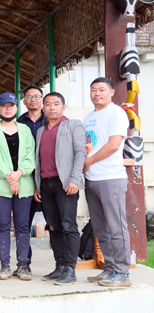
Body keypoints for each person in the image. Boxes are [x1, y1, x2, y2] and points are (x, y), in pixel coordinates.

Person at [33, 92, 86, 286]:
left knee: (68, 225)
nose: (52, 107)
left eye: (56, 104)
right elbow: (38, 160)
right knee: (53, 227)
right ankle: (60, 266)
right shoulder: (40, 130)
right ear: (43, 109)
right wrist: (37, 186)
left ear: (63, 107)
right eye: (48, 104)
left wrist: (74, 179)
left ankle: (71, 269)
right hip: (46, 185)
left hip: (65, 183)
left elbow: (80, 153)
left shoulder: (73, 125)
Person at [83, 77, 131, 287]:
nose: (97, 93)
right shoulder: (88, 117)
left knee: (116, 226)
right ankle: (110, 267)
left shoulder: (116, 113)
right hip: (92, 178)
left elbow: (113, 145)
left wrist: (88, 162)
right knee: (100, 227)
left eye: (102, 89)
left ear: (111, 92)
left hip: (110, 177)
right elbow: (88, 145)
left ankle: (122, 272)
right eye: (93, 90)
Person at [0, 92, 35, 281]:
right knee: (3, 225)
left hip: (24, 185)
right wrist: (10, 178)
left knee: (22, 226)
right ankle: (5, 265)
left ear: (16, 108)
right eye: (3, 105)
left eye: (11, 105)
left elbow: (31, 156)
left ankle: (23, 265)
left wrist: (19, 174)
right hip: (0, 185)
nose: (7, 108)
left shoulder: (25, 130)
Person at [17, 85, 46, 266]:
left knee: (55, 222)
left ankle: (63, 266)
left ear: (42, 99)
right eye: (29, 97)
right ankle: (24, 262)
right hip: (26, 177)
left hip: (49, 176)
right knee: (23, 223)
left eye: (37, 96)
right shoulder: (18, 123)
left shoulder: (51, 120)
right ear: (24, 101)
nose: (33, 99)